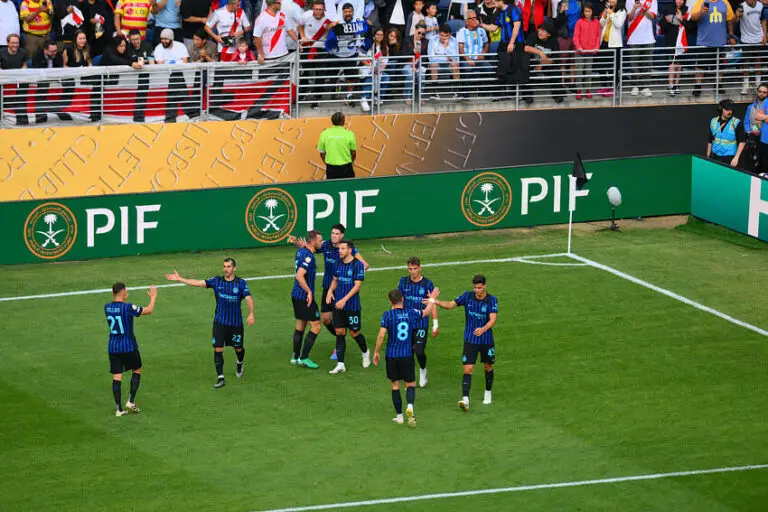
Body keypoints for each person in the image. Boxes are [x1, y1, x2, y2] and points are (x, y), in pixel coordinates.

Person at [166, 258, 255, 388]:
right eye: (224, 266)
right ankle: (221, 378)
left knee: (238, 348)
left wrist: (251, 314)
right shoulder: (217, 281)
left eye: (228, 266)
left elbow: (249, 299)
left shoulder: (241, 283)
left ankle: (240, 363)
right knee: (218, 348)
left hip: (235, 323)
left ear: (234, 268)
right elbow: (198, 282)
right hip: (220, 322)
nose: (226, 269)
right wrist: (180, 279)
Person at [288, 223, 369, 361]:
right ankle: (340, 339)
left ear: (342, 235)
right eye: (332, 233)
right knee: (326, 319)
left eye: (337, 234)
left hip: (342, 290)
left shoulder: (348, 249)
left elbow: (364, 265)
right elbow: (311, 248)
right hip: (328, 288)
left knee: (342, 324)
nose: (334, 236)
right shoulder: (325, 245)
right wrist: (298, 243)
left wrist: (351, 274)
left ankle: (338, 347)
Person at [372, 288, 439, 426]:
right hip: (406, 355)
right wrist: (432, 299)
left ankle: (399, 417)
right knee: (410, 384)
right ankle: (410, 406)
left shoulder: (387, 315)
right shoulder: (411, 313)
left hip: (392, 355)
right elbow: (426, 312)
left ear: (390, 301)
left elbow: (381, 335)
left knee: (395, 385)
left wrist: (376, 352)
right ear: (403, 299)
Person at [432, 274, 498, 411]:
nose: (477, 290)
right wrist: (436, 302)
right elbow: (450, 305)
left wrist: (483, 329)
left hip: (486, 340)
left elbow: (493, 319)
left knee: (488, 367)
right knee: (468, 368)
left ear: (485, 286)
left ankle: (488, 391)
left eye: (479, 288)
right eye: (475, 288)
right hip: (470, 339)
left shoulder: (491, 300)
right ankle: (465, 399)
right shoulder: (467, 296)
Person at [104, 282, 156, 417]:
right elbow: (149, 310)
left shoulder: (107, 307)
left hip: (113, 347)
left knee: (117, 376)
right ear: (123, 292)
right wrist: (153, 297)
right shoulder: (128, 308)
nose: (127, 293)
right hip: (128, 346)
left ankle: (118, 409)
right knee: (137, 369)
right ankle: (131, 401)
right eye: (126, 291)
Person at [326, 239, 370, 375]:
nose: (340, 251)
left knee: (354, 333)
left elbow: (357, 286)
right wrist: (330, 291)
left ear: (350, 250)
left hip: (352, 306)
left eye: (343, 248)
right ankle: (340, 364)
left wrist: (344, 300)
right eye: (339, 248)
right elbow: (335, 280)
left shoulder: (357, 265)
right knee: (339, 332)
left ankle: (365, 352)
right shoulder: (338, 263)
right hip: (338, 305)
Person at [397, 257, 438, 388]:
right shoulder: (403, 282)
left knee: (419, 351)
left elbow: (432, 303)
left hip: (421, 323)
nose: (413, 271)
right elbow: (398, 301)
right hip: (406, 323)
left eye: (415, 269)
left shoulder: (427, 284)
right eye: (410, 269)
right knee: (407, 351)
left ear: (420, 268)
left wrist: (435, 324)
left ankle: (423, 369)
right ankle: (409, 377)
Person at [325, 3, 372, 108]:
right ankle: (335, 88)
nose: (348, 13)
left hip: (351, 53)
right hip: (336, 53)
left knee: (351, 77)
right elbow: (327, 29)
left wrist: (367, 23)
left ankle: (349, 95)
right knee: (332, 75)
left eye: (350, 11)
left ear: (353, 12)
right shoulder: (337, 20)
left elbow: (367, 25)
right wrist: (331, 26)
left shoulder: (357, 21)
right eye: (346, 12)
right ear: (342, 12)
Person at [291, 230, 323, 368]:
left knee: (300, 325)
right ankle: (304, 357)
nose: (321, 243)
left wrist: (298, 244)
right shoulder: (308, 256)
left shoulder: (301, 251)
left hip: (296, 294)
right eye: (320, 241)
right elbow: (299, 276)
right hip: (304, 297)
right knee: (316, 326)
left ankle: (295, 356)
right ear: (313, 242)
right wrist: (309, 291)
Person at [690, 0, 735, 97]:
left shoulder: (725, 2)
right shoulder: (700, 2)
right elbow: (693, 17)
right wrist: (701, 12)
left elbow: (730, 19)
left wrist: (731, 35)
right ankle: (698, 85)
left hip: (720, 40)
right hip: (704, 40)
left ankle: (718, 84)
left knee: (720, 65)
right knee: (701, 65)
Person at [481, 0, 524, 86]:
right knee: (502, 69)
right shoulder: (498, 12)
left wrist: (511, 42)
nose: (492, 2)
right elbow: (493, 28)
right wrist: (481, 25)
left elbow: (516, 27)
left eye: (494, 1)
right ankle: (503, 90)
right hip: (503, 43)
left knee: (516, 69)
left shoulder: (514, 9)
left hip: (516, 43)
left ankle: (521, 92)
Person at [522, 19, 562, 103]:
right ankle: (527, 96)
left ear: (549, 34)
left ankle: (557, 95)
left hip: (546, 64)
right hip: (532, 63)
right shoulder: (533, 35)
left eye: (544, 31)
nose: (540, 32)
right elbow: (526, 48)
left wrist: (542, 65)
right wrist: (540, 52)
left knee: (556, 71)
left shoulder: (554, 41)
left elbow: (555, 59)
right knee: (524, 69)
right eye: (540, 30)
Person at [625, 0, 657, 97]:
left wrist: (645, 9)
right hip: (633, 37)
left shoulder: (652, 1)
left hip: (648, 38)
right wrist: (634, 8)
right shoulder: (629, 1)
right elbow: (629, 18)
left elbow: (653, 16)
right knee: (633, 64)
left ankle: (645, 86)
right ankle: (635, 85)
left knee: (647, 64)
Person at [457, 10, 491, 98]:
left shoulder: (482, 31)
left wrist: (483, 53)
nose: (475, 20)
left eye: (476, 18)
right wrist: (468, 59)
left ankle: (483, 90)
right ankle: (464, 92)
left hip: (479, 58)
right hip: (466, 59)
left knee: (489, 68)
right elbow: (460, 48)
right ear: (466, 21)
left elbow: (486, 44)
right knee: (467, 69)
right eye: (472, 18)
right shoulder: (461, 32)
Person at [253, 0, 297, 64]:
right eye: (278, 2)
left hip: (284, 55)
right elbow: (256, 37)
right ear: (271, 3)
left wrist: (298, 42)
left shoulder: (283, 15)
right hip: (269, 57)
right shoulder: (261, 18)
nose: (281, 3)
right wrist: (260, 54)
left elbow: (290, 30)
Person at [736, 0, 765, 95]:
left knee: (758, 61)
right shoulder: (741, 6)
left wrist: (765, 35)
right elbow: (736, 21)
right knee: (746, 62)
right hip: (746, 38)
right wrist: (737, 16)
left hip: (758, 38)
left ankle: (758, 84)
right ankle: (745, 85)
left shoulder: (760, 5)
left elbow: (763, 20)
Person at [317, 111, 358, 180]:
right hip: (346, 167)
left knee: (332, 186)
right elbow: (353, 153)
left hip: (331, 168)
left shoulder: (324, 134)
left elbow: (322, 153)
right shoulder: (350, 134)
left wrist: (327, 163)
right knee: (348, 185)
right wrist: (350, 162)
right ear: (343, 121)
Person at [659, 0, 688, 96]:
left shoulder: (686, 10)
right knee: (672, 63)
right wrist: (667, 22)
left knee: (679, 63)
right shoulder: (668, 9)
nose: (679, 1)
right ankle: (670, 85)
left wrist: (681, 19)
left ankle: (677, 84)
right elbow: (662, 27)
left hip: (682, 41)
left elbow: (690, 26)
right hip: (670, 40)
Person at [360, 27, 391, 111]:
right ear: (374, 35)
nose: (379, 36)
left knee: (386, 77)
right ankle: (364, 98)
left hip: (378, 69)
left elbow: (385, 62)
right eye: (378, 34)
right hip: (366, 68)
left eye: (381, 35)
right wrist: (372, 67)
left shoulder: (385, 47)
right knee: (371, 75)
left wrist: (379, 70)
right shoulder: (367, 44)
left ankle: (378, 97)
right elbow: (361, 57)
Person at [573, 1, 600, 99]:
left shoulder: (596, 22)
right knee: (579, 72)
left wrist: (596, 47)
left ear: (592, 11)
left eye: (589, 11)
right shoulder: (579, 22)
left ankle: (588, 89)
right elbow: (575, 37)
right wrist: (578, 47)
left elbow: (598, 36)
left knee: (588, 71)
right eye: (585, 11)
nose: (587, 13)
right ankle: (579, 90)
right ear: (583, 12)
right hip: (580, 52)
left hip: (590, 51)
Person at [707, 99, 746, 167]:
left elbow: (742, 142)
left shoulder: (737, 123)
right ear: (721, 109)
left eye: (731, 110)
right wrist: (708, 156)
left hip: (729, 157)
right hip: (715, 156)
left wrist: (736, 158)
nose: (730, 112)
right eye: (727, 109)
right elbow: (710, 140)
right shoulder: (713, 121)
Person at [427, 24, 460, 99]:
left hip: (450, 64)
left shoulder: (454, 40)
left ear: (450, 35)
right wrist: (446, 58)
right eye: (442, 35)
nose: (444, 38)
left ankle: (456, 91)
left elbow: (455, 58)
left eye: (447, 36)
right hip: (436, 64)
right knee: (433, 64)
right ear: (438, 34)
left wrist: (446, 46)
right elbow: (431, 58)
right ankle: (435, 92)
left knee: (455, 64)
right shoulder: (432, 39)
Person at [744, 83, 768, 171]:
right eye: (760, 91)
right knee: (754, 163)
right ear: (757, 92)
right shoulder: (750, 107)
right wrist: (751, 131)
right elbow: (747, 122)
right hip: (754, 138)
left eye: (764, 92)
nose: (761, 94)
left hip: (765, 138)